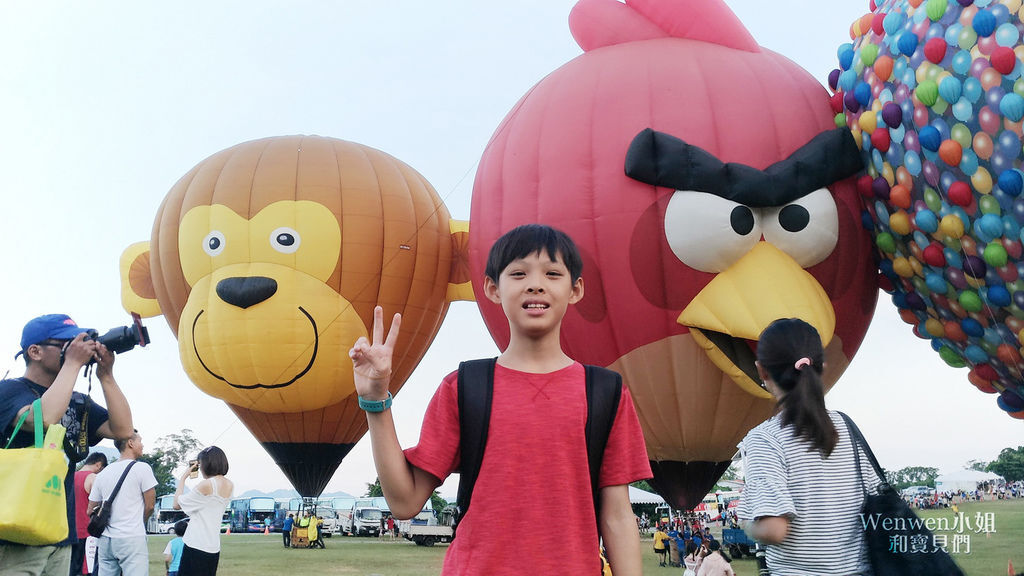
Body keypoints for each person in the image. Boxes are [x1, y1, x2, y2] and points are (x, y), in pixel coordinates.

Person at [350, 224, 652, 575]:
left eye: (553, 274)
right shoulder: (465, 386)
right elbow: (404, 502)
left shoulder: (605, 392)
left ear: (575, 289)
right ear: (493, 288)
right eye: (519, 273)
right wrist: (375, 402)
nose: (536, 284)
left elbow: (617, 515)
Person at [736, 318, 878, 575]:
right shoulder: (846, 427)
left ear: (761, 370)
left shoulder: (765, 439)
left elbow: (774, 529)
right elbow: (872, 500)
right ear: (821, 367)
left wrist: (745, 523)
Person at [0, 314, 134, 576]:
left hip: (60, 534)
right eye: (66, 343)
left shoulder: (78, 400)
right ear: (35, 351)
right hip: (13, 535)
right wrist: (72, 364)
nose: (75, 348)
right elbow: (44, 417)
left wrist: (106, 375)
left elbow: (124, 430)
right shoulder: (9, 390)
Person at [87, 430, 157, 576]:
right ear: (131, 443)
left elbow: (90, 510)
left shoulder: (103, 473)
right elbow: (150, 505)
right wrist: (140, 520)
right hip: (131, 538)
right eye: (140, 441)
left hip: (106, 540)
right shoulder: (142, 468)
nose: (142, 445)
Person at [173, 446, 233, 576]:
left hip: (196, 544)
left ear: (207, 464)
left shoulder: (207, 485)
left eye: (200, 464)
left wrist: (183, 478)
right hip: (213, 547)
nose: (199, 468)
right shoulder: (229, 485)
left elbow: (176, 504)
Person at [71, 452, 108, 576]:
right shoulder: (93, 478)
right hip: (88, 532)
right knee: (88, 571)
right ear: (98, 465)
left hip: (70, 531)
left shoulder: (70, 476)